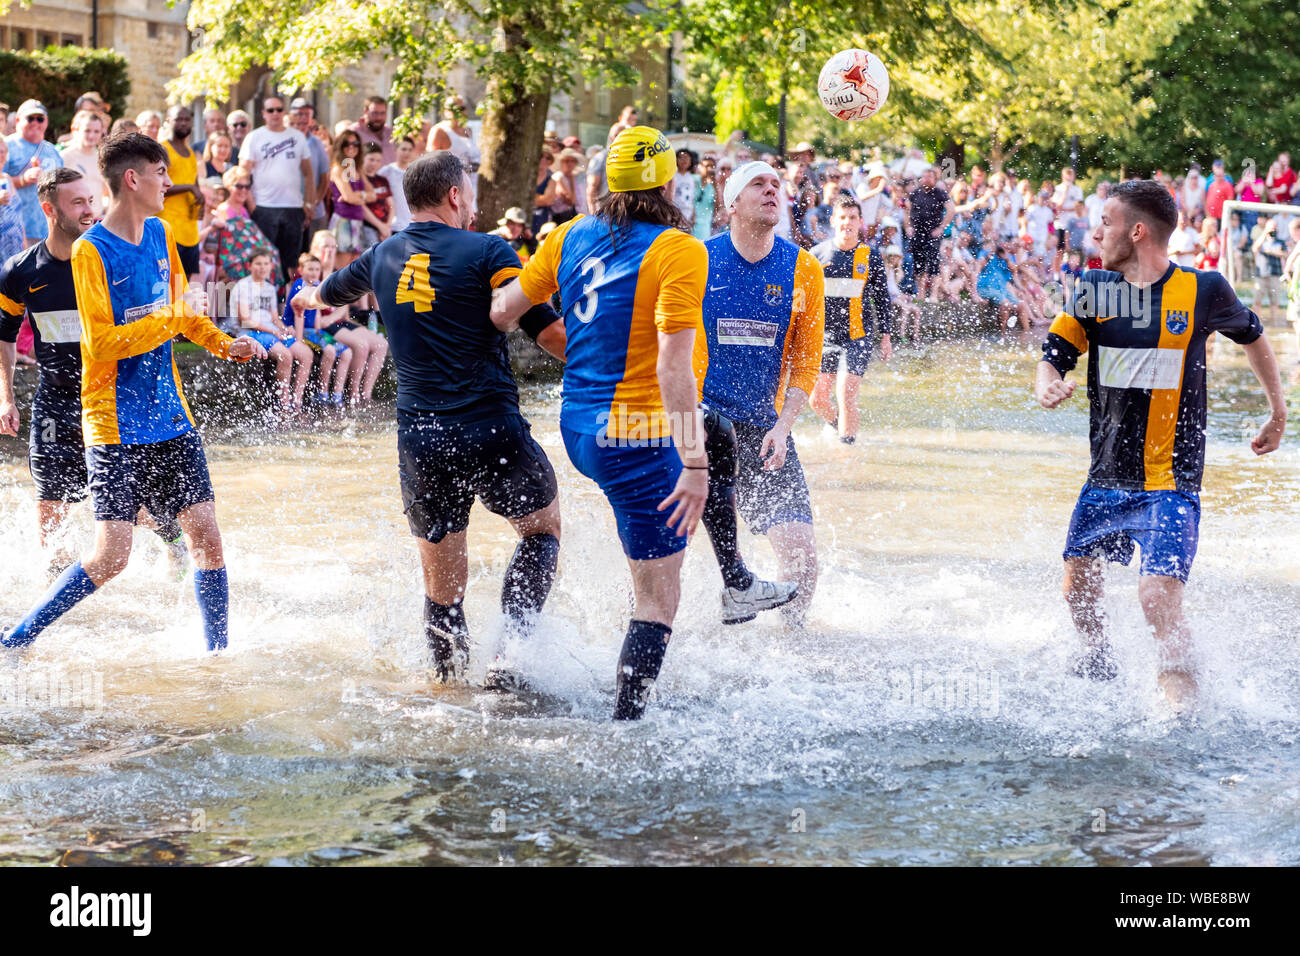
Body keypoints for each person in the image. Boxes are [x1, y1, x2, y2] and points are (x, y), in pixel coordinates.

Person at [490, 128, 796, 718]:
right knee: (658, 598)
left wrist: (492, 265)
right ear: (667, 181)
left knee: (717, 430)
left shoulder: (566, 235)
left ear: (607, 183)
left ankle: (736, 579)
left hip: (579, 429)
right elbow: (673, 366)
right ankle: (627, 727)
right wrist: (694, 465)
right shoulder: (681, 249)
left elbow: (504, 315)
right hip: (637, 438)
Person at [292, 151, 563, 683]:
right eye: (472, 195)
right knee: (541, 532)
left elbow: (324, 294)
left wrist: (305, 296)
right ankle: (508, 658)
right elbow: (548, 333)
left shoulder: (380, 255)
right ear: (455, 196)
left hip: (421, 439)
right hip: (491, 428)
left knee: (442, 586)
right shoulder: (490, 250)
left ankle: (449, 689)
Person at [1, 132, 267, 652]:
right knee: (111, 557)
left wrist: (220, 342)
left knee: (207, 537)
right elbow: (100, 341)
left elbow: (181, 308)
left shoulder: (164, 234)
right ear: (133, 179)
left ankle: (217, 655)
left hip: (170, 411)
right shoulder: (89, 251)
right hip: (112, 418)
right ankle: (15, 640)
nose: (170, 184)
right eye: (162, 174)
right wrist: (166, 320)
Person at [1036, 179, 1286, 708]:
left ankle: (1181, 714)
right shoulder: (1093, 288)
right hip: (1104, 478)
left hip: (1170, 482)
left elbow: (1253, 335)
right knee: (1076, 591)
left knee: (1155, 598)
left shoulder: (1204, 289)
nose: (1097, 231)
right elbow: (1054, 352)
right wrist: (1047, 383)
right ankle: (1099, 662)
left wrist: (1278, 411)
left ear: (1138, 230)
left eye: (1106, 221)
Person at [0, 168, 188, 578]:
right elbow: (4, 332)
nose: (90, 211)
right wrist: (6, 397)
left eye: (92, 200)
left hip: (111, 399)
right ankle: (54, 592)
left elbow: (161, 313)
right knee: (50, 498)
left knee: (133, 506)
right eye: (78, 203)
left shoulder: (110, 255)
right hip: (56, 399)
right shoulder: (20, 272)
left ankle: (173, 539)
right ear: (49, 210)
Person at [696, 160, 824, 626]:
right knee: (661, 551)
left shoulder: (803, 267)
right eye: (758, 183)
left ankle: (784, 661)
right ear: (731, 203)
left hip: (762, 431)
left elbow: (806, 362)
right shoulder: (698, 260)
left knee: (805, 563)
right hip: (698, 425)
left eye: (777, 184)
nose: (772, 190)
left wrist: (784, 424)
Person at [809, 195, 893, 444]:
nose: (847, 222)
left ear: (860, 222)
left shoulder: (870, 256)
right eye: (842, 217)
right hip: (824, 337)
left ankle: (848, 452)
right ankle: (839, 428)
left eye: (853, 218)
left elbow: (882, 299)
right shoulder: (816, 255)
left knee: (845, 392)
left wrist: (886, 337)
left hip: (858, 336)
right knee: (817, 399)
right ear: (833, 220)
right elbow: (804, 302)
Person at [306, 228, 388, 404]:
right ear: (315, 249)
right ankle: (352, 394)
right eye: (324, 247)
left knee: (381, 344)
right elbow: (311, 301)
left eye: (331, 247)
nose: (328, 251)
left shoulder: (337, 270)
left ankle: (365, 394)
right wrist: (325, 269)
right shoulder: (311, 270)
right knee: (361, 345)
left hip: (338, 319)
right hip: (322, 323)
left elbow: (344, 304)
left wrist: (336, 315)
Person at [239, 95, 314, 284]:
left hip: (293, 208)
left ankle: (286, 307)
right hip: (264, 207)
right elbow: (243, 173)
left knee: (291, 262)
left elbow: (308, 174)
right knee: (263, 260)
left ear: (284, 112)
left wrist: (308, 204)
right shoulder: (254, 137)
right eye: (270, 110)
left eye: (279, 109)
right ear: (263, 113)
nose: (275, 113)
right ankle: (265, 306)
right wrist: (252, 205)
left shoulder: (297, 137)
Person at [234, 248, 315, 415]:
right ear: (250, 266)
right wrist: (272, 331)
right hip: (251, 332)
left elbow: (274, 318)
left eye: (265, 264)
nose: (262, 268)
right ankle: (283, 403)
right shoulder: (243, 286)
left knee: (306, 353)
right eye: (258, 264)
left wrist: (284, 328)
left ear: (271, 266)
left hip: (270, 330)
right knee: (285, 355)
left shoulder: (270, 288)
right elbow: (245, 319)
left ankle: (296, 401)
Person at [282, 252, 352, 408]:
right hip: (300, 329)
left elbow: (317, 312)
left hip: (314, 331)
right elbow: (298, 315)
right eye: (310, 269)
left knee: (347, 352)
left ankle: (337, 394)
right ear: (301, 270)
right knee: (329, 351)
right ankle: (322, 392)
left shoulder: (317, 285)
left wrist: (321, 330)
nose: (314, 272)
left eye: (316, 269)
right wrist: (299, 342)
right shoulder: (299, 285)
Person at [4, 100, 63, 247]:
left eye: (40, 119)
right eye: (30, 118)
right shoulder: (5, 146)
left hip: (48, 230)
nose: (35, 123)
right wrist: (23, 179)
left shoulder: (52, 150)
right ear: (18, 120)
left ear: (46, 122)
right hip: (14, 231)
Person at [160, 106, 205, 281]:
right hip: (168, 226)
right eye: (179, 119)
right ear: (168, 122)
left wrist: (200, 198)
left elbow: (195, 184)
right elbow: (157, 188)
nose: (183, 123)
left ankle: (181, 310)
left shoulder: (191, 153)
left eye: (187, 119)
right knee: (167, 283)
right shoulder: (162, 150)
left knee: (183, 285)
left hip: (190, 230)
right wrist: (189, 188)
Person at [904, 166, 954, 301]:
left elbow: (951, 210)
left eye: (929, 177)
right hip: (918, 233)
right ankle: (920, 295)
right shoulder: (915, 193)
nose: (926, 179)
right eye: (924, 176)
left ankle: (933, 295)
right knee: (919, 265)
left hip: (933, 234)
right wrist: (908, 226)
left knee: (933, 264)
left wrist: (942, 227)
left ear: (935, 179)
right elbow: (906, 210)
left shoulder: (940, 193)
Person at [290, 97, 331, 241]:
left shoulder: (317, 144)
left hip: (315, 213)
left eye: (307, 114)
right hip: (289, 209)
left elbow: (324, 179)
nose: (303, 118)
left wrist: (311, 207)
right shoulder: (283, 141)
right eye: (299, 114)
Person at [57, 110, 109, 219]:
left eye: (96, 131)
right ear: (76, 131)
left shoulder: (103, 159)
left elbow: (107, 192)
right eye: (87, 130)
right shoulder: (64, 157)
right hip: (72, 222)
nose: (91, 135)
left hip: (96, 221)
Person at [427, 95, 481, 174]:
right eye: (454, 109)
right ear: (446, 111)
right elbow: (430, 162)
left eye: (462, 108)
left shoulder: (468, 130)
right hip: (451, 182)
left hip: (471, 182)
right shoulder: (439, 130)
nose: (459, 112)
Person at [378, 137, 416, 232]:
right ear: (395, 150)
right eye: (403, 149)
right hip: (393, 226)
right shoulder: (386, 172)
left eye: (410, 150)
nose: (407, 153)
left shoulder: (416, 171)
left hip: (412, 225)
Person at [0, 138, 28, 261]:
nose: (0, 155)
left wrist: (25, 248)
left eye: (2, 151)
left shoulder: (7, 178)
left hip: (16, 250)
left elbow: (18, 217)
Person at [350, 96, 396, 166]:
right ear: (365, 111)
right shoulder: (353, 133)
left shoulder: (392, 133)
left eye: (382, 113)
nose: (379, 117)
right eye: (375, 113)